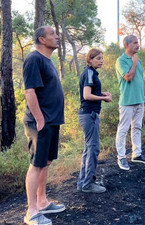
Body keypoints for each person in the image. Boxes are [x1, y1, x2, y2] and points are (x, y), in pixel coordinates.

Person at [23, 26, 65, 225]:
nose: (57, 36)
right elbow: (29, 91)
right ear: (41, 38)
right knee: (36, 164)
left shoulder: (48, 61)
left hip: (51, 120)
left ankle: (42, 202)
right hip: (40, 122)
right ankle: (31, 212)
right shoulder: (34, 59)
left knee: (45, 163)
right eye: (52, 34)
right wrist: (40, 119)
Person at [76, 49, 112, 193]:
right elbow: (86, 95)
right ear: (90, 60)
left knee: (88, 149)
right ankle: (88, 184)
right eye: (98, 58)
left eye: (102, 58)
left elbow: (91, 92)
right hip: (90, 114)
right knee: (93, 148)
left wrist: (102, 93)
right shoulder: (90, 73)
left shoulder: (90, 73)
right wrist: (103, 98)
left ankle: (82, 182)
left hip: (88, 114)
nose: (101, 61)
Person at [115, 35, 145, 171]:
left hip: (139, 100)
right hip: (127, 101)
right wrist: (134, 62)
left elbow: (140, 79)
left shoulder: (138, 60)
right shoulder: (121, 61)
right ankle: (121, 157)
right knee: (123, 129)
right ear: (127, 45)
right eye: (135, 43)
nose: (138, 45)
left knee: (137, 127)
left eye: (138, 42)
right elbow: (128, 77)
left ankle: (137, 154)